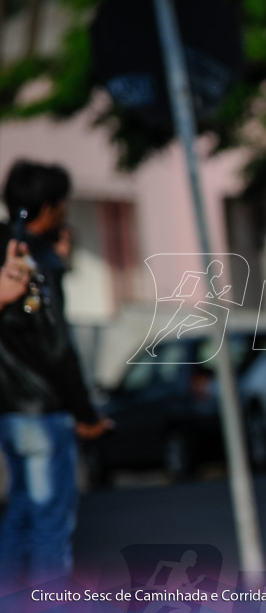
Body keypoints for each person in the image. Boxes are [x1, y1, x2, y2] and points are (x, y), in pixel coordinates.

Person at [0, 159, 112, 587]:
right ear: (48, 207)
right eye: (63, 204)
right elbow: (56, 346)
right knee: (50, 524)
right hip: (42, 412)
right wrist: (86, 414)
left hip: (9, 411)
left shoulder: (13, 252)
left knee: (22, 515)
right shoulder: (36, 261)